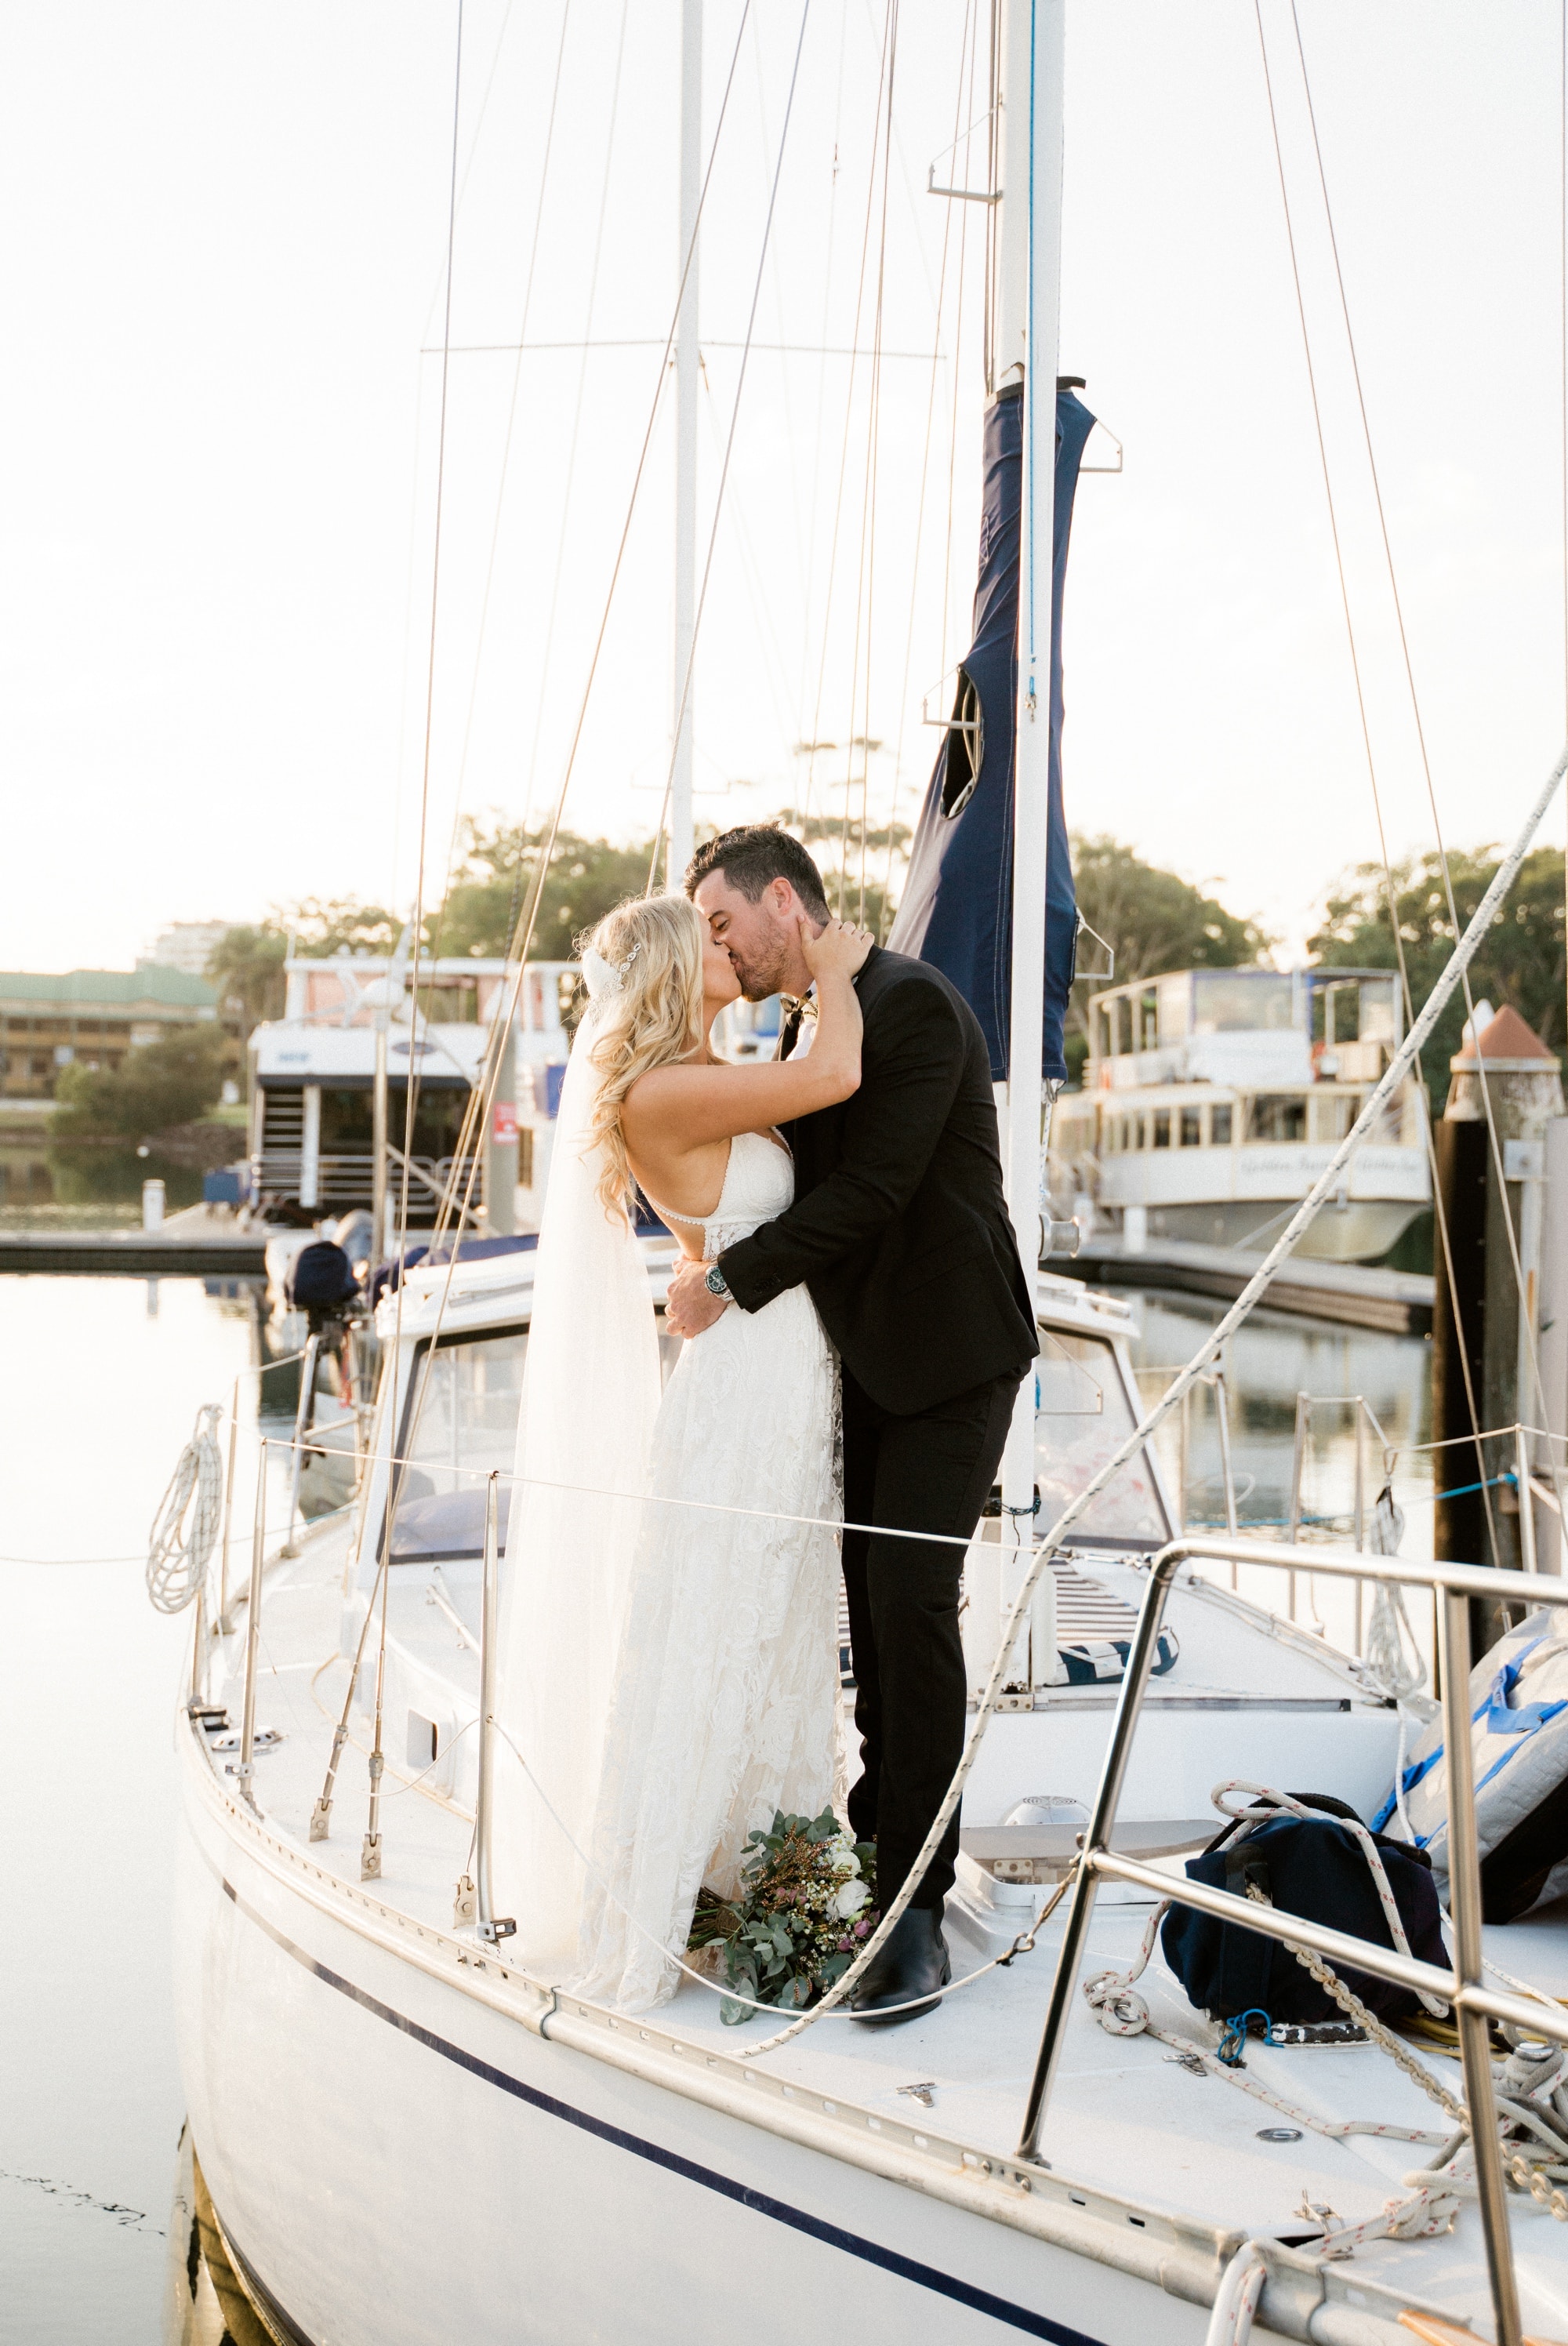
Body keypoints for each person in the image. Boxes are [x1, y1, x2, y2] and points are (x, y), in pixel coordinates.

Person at [668, 825, 1038, 2025]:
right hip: (866, 1366)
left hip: (954, 1355)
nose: (717, 948)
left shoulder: (913, 1006)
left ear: (785, 900)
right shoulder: (813, 1017)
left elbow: (873, 1192)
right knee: (869, 1620)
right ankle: (879, 1851)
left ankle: (920, 1908)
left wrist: (726, 1287)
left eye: (722, 923)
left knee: (911, 1607)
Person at [494, 888, 873, 2015]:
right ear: (665, 967)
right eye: (705, 937)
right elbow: (831, 1079)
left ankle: (766, 1884)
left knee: (772, 1627)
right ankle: (702, 1900)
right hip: (749, 1387)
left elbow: (732, 1219)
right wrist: (837, 972)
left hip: (777, 1370)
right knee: (717, 1625)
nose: (726, 946)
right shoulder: (663, 1089)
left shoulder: (704, 1077)